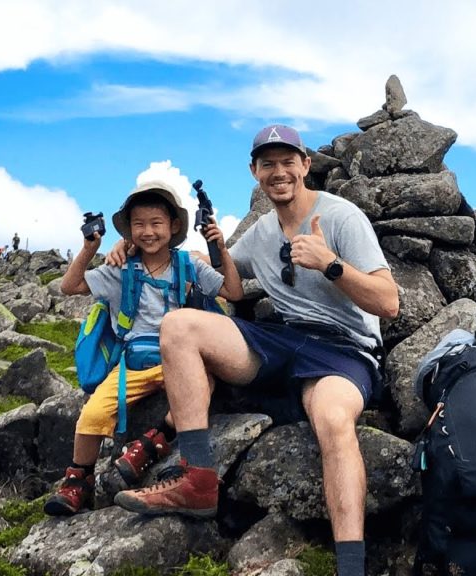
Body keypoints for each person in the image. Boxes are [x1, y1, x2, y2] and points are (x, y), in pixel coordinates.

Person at [113, 125, 399, 576]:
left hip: (343, 349)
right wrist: (133, 248)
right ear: (254, 172)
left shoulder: (341, 217)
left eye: (288, 162)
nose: (278, 172)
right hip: (281, 339)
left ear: (306, 165)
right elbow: (215, 265)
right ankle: (198, 480)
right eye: (268, 164)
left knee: (332, 419)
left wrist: (330, 264)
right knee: (179, 325)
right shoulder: (263, 231)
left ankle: (350, 566)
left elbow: (389, 302)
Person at [44, 180, 243, 516]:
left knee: (203, 385)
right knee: (91, 415)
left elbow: (234, 292)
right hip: (132, 363)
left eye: (156, 223)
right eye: (139, 224)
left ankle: (151, 444)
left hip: (177, 357)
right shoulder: (120, 270)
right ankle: (78, 481)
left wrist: (221, 250)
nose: (148, 232)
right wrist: (90, 248)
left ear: (174, 226)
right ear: (129, 231)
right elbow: (70, 286)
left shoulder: (189, 265)